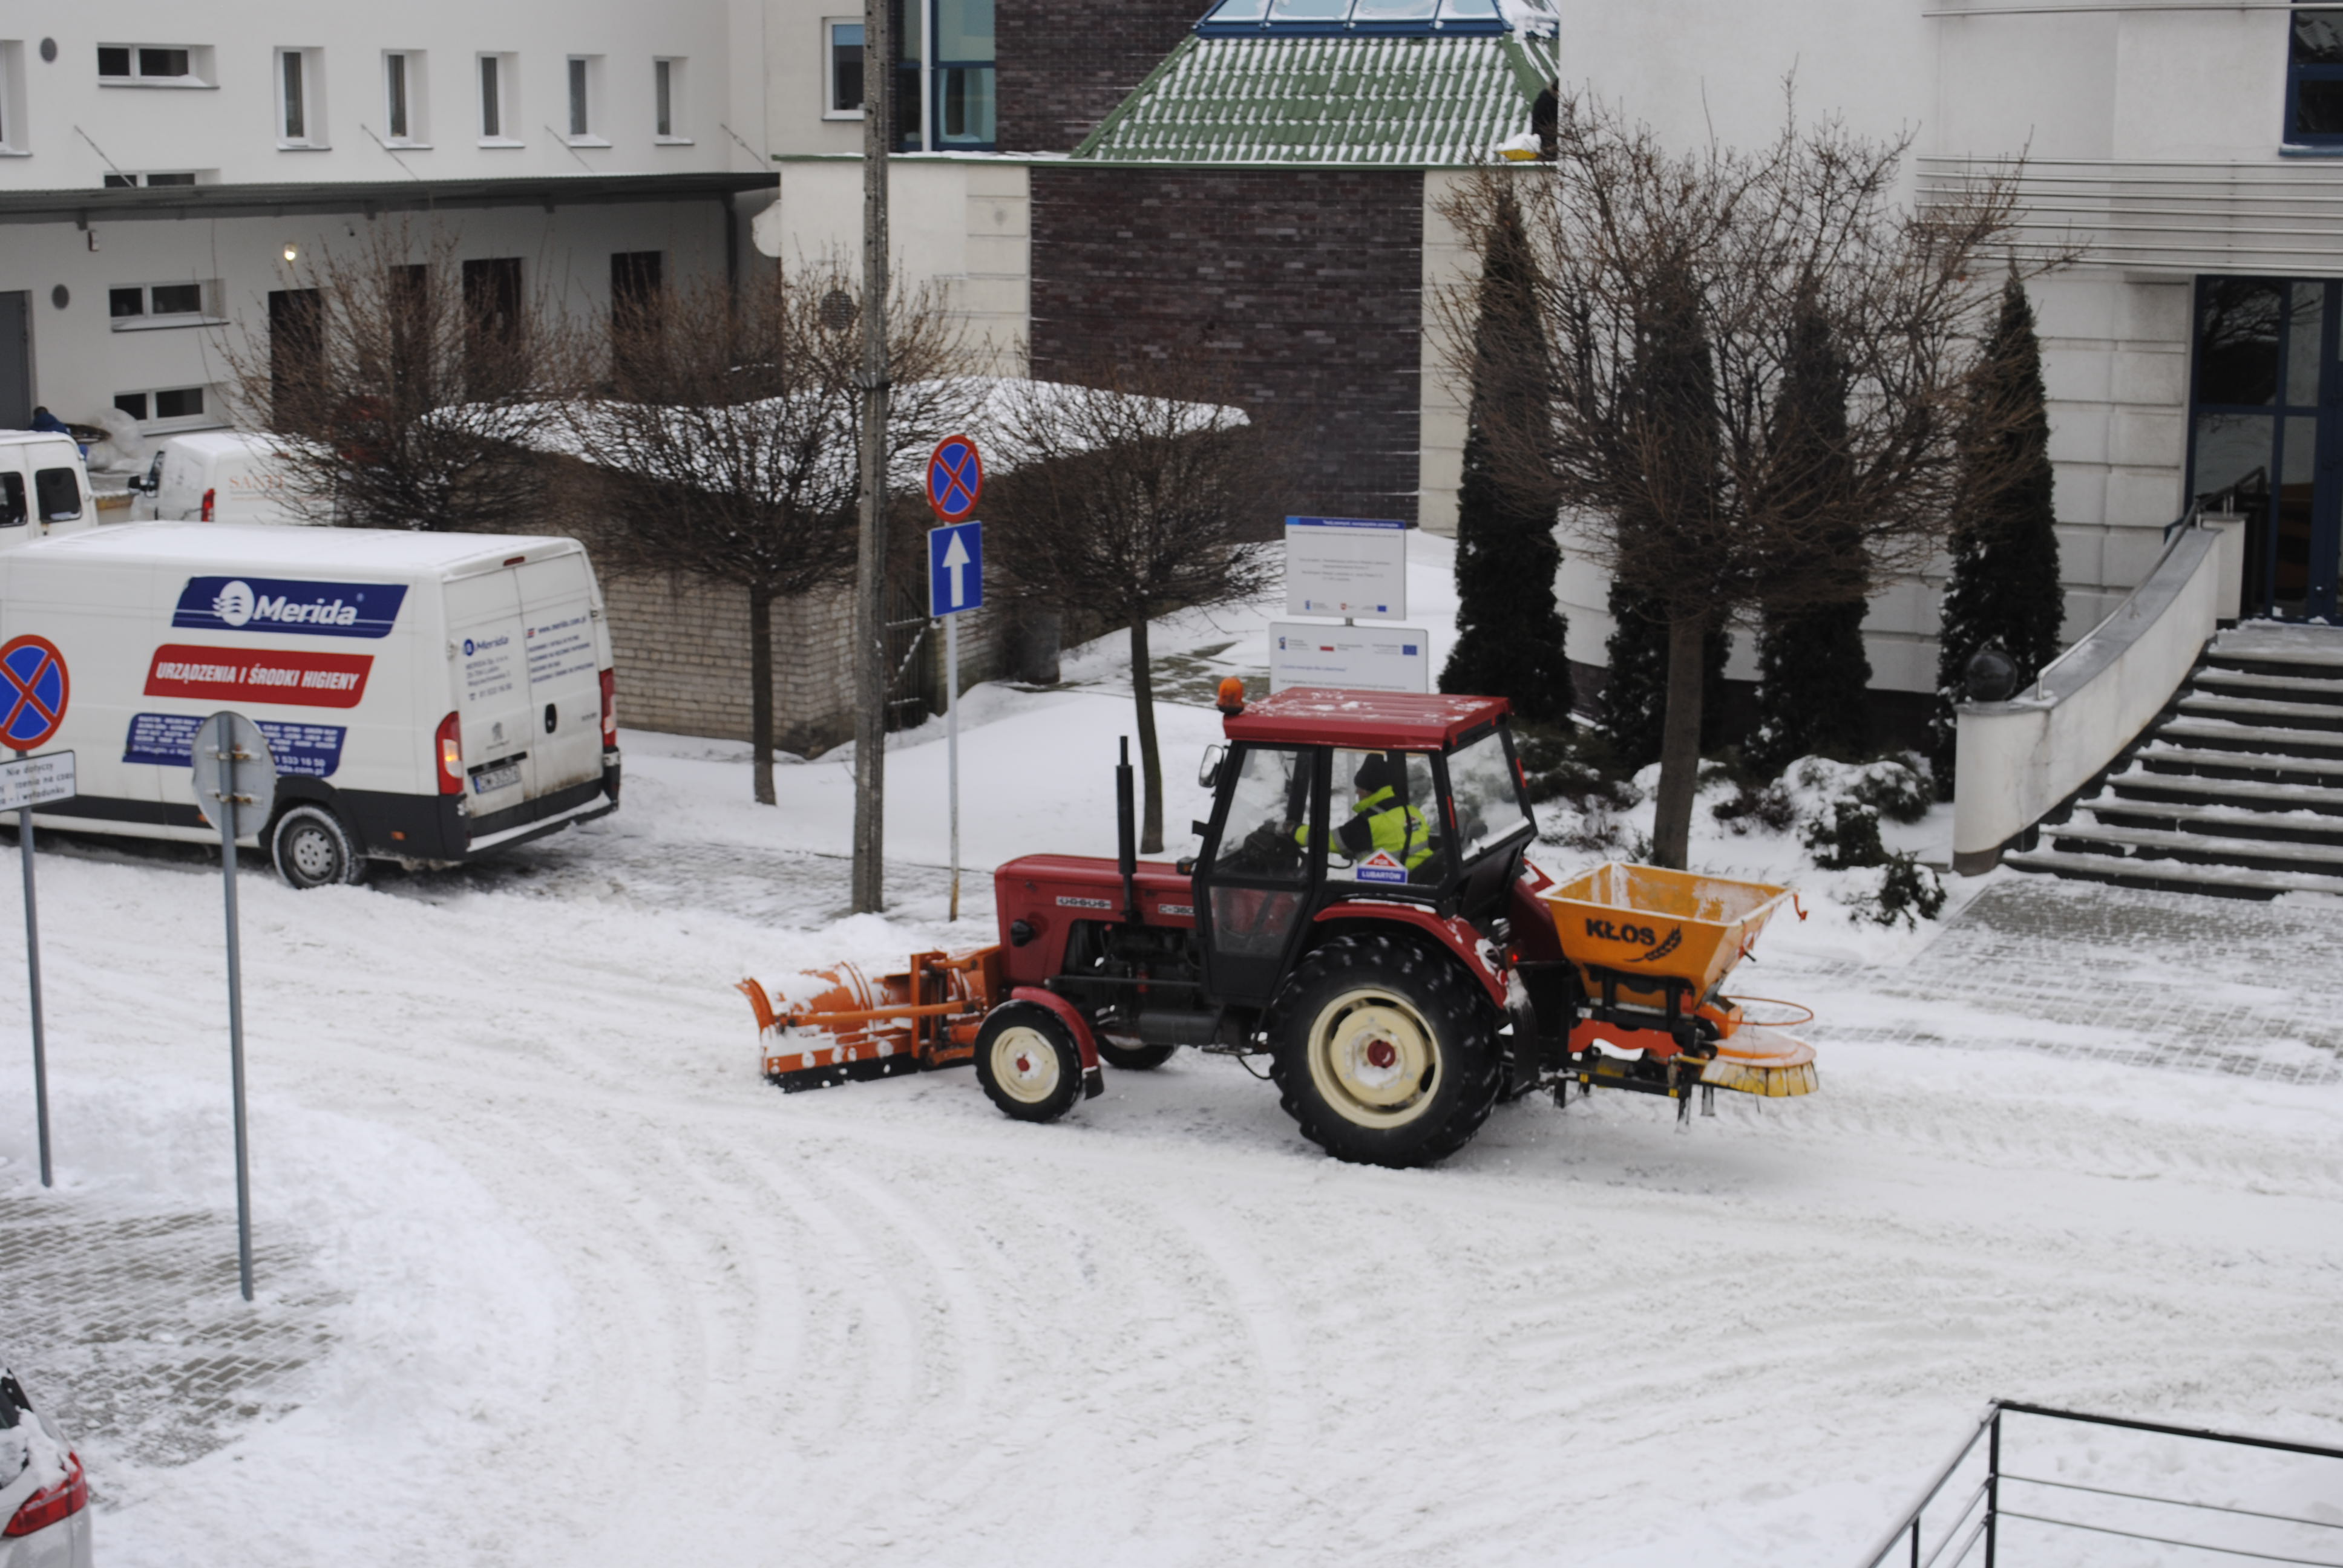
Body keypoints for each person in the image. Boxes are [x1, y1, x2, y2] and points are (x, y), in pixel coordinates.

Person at [1302, 752, 1434, 878]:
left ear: (1367, 791)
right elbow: (1393, 843)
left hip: (1392, 888)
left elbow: (1327, 841)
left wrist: (1294, 830)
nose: (1358, 793)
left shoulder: (1369, 822)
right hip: (1419, 876)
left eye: (1359, 788)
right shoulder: (1411, 811)